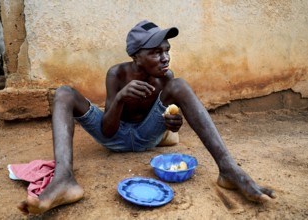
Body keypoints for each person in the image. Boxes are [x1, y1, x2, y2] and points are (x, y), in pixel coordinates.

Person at [18, 20, 276, 215]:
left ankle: (229, 169)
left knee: (181, 85)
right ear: (136, 57)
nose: (164, 58)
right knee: (63, 93)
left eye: (166, 50)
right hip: (114, 136)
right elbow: (107, 132)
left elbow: (168, 120)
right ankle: (63, 179)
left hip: (145, 137)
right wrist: (119, 99)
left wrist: (173, 123)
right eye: (155, 52)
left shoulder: (166, 77)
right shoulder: (117, 74)